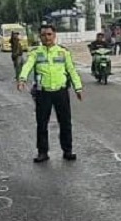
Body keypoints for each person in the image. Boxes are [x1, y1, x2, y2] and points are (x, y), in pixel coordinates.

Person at [17, 23, 84, 163]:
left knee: (65, 123)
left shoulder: (63, 52)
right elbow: (27, 66)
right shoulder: (35, 53)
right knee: (42, 123)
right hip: (43, 93)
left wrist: (78, 88)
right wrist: (22, 79)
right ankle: (42, 152)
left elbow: (71, 71)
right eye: (43, 35)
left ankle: (67, 150)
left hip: (61, 92)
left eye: (49, 34)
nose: (46, 37)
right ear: (39, 36)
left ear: (54, 36)